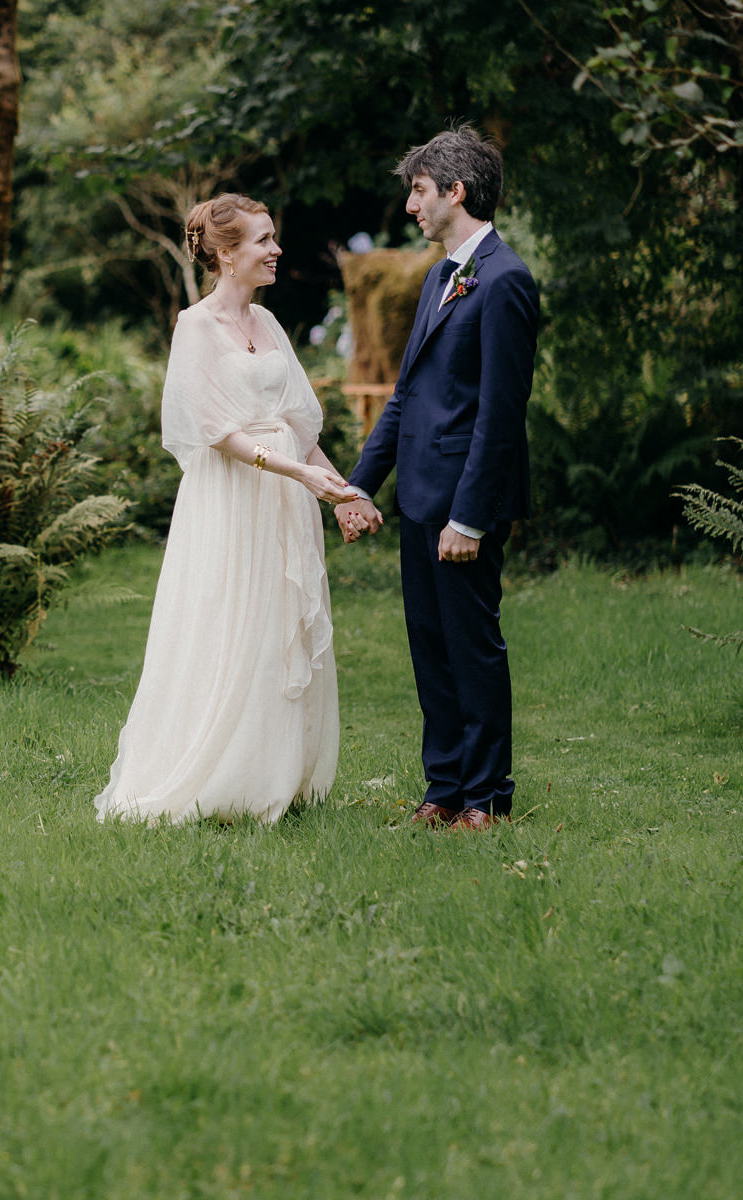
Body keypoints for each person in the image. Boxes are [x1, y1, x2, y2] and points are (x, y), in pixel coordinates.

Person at [95, 194, 360, 824]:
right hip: (231, 499)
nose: (276, 250)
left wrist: (343, 491)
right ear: (225, 253)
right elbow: (217, 430)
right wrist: (296, 472)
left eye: (273, 238)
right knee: (229, 623)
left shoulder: (267, 326)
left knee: (279, 626)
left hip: (284, 500)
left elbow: (299, 423)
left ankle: (275, 772)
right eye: (263, 240)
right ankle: (217, 776)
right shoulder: (196, 327)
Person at [335, 126, 540, 833]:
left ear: (456, 191)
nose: (411, 206)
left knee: (472, 646)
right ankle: (444, 787)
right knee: (429, 644)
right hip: (418, 495)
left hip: (463, 505)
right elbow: (407, 396)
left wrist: (471, 517)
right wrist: (360, 483)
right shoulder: (437, 276)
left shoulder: (506, 279)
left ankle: (486, 797)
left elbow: (501, 413)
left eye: (419, 191)